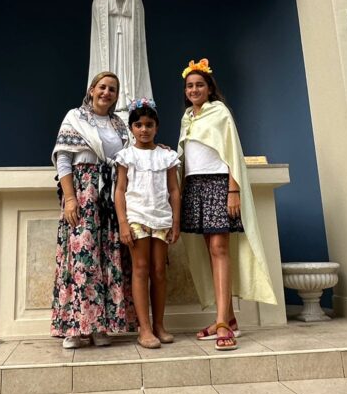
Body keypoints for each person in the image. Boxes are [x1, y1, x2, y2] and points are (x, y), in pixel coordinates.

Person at [178, 58, 277, 351]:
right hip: (195, 186)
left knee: (220, 249)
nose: (194, 90)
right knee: (210, 251)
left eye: (199, 85)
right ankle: (228, 318)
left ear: (209, 88)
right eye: (189, 86)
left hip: (219, 184)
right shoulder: (187, 118)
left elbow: (232, 150)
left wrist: (233, 189)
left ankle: (222, 321)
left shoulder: (219, 112)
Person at [50, 71, 137, 349]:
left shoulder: (119, 124)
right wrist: (70, 198)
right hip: (83, 192)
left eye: (112, 89)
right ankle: (75, 329)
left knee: (108, 257)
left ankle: (100, 326)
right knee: (82, 258)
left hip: (110, 196)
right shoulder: (75, 117)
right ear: (91, 90)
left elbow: (130, 156)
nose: (106, 93)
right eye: (102, 87)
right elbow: (63, 159)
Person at [114, 99, 181, 349]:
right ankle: (144, 328)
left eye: (149, 125)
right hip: (137, 217)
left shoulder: (167, 156)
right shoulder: (126, 156)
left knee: (159, 271)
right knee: (140, 268)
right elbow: (120, 191)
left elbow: (174, 190)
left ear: (157, 127)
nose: (144, 129)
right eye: (139, 125)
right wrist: (123, 223)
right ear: (131, 128)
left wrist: (176, 222)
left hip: (161, 218)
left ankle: (159, 324)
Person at [88, 0, 153, 113]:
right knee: (112, 63)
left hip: (127, 33)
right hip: (110, 33)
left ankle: (127, 97)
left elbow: (139, 11)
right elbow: (97, 7)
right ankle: (111, 100)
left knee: (125, 65)